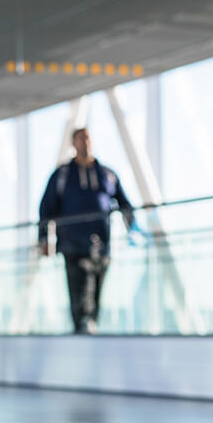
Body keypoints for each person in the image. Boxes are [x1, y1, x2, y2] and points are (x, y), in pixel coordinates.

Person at [38, 128, 134, 334]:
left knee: (96, 294)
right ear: (73, 144)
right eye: (81, 138)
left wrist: (132, 228)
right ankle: (81, 332)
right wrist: (44, 239)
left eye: (88, 138)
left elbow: (124, 203)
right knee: (80, 295)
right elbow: (46, 208)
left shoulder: (106, 174)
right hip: (73, 245)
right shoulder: (62, 175)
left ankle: (91, 330)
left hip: (102, 246)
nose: (85, 142)